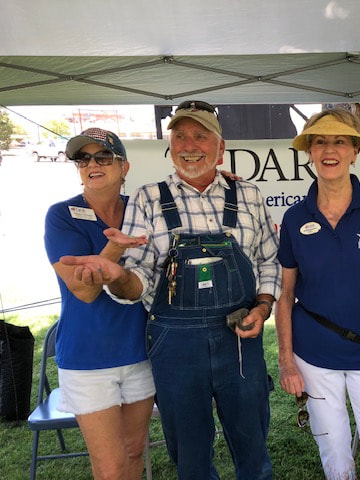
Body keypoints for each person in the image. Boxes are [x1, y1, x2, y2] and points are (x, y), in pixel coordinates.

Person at [61, 101, 282, 480]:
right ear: (170, 144)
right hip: (175, 344)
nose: (189, 144)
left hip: (240, 337)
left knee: (253, 449)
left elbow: (268, 262)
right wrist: (117, 275)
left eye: (200, 135)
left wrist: (262, 308)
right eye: (180, 136)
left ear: (220, 146)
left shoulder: (249, 196)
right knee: (190, 457)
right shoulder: (148, 198)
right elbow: (137, 278)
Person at [276, 108, 360, 479]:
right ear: (309, 151)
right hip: (314, 356)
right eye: (319, 141)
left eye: (339, 141)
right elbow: (285, 296)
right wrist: (287, 361)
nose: (329, 149)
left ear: (355, 151)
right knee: (336, 459)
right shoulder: (294, 217)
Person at [44, 128, 155, 480]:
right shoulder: (61, 215)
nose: (92, 164)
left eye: (103, 157)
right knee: (110, 467)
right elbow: (84, 291)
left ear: (124, 166)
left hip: (142, 350)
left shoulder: (142, 209)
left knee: (135, 451)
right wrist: (116, 246)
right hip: (88, 359)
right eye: (83, 159)